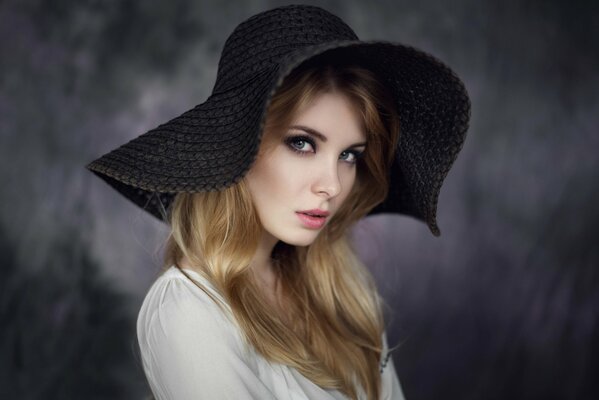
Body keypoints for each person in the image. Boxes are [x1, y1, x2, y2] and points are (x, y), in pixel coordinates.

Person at [86, 5, 470, 400]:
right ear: (234, 150)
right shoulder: (188, 309)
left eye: (349, 155)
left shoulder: (345, 297)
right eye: (302, 143)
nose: (333, 185)